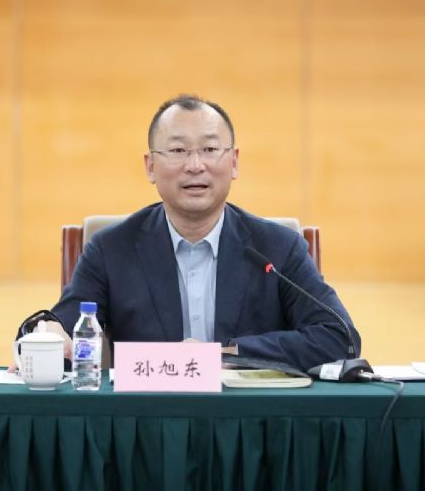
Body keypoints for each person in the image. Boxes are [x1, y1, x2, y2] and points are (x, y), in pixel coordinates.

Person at [45, 94, 360, 372]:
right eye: (178, 150)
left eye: (209, 149)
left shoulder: (278, 248)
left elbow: (338, 337)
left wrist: (224, 355)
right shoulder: (111, 249)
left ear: (234, 162)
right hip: (148, 415)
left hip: (249, 417)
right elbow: (62, 328)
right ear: (150, 167)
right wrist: (48, 334)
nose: (195, 165)